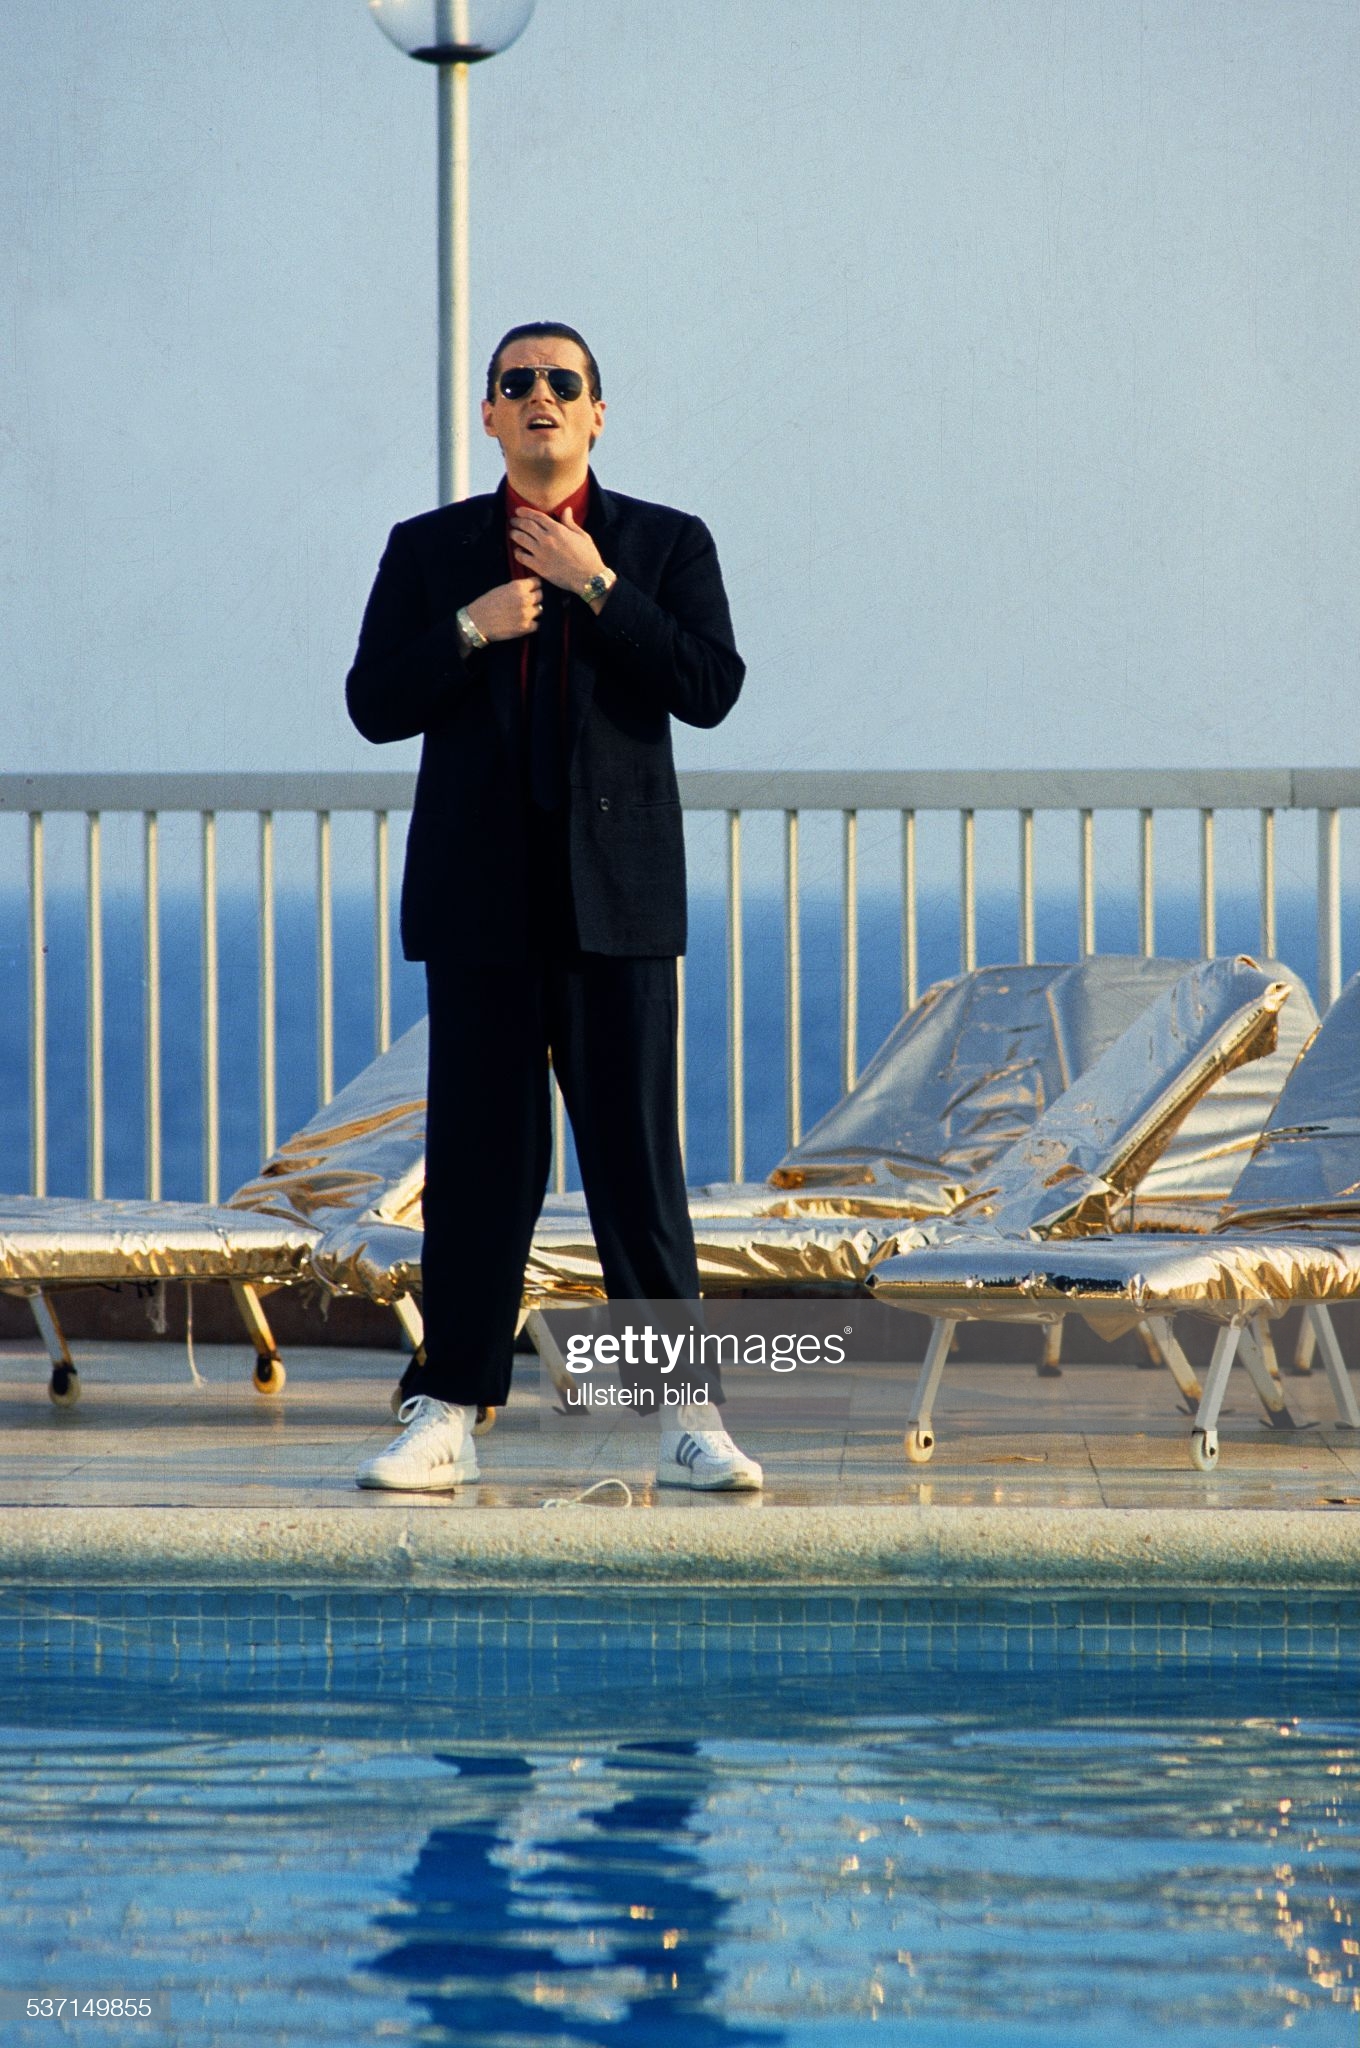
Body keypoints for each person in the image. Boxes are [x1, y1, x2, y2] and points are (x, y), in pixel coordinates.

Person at [345, 320, 762, 1495]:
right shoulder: (428, 549)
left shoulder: (665, 542)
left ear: (595, 414)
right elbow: (373, 702)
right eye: (516, 381)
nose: (540, 395)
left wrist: (598, 587)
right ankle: (447, 1407)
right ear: (489, 414)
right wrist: (470, 627)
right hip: (479, 902)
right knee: (480, 1163)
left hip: (616, 903)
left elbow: (710, 684)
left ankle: (683, 1415)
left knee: (635, 1165)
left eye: (562, 382)